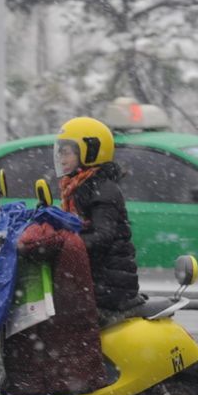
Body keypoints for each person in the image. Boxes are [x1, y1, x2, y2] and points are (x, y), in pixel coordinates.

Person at [54, 116, 143, 312]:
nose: (61, 159)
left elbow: (103, 236)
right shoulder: (76, 187)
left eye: (67, 153)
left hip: (109, 285)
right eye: (60, 153)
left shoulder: (103, 190)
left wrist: (63, 244)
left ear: (90, 150)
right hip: (93, 278)